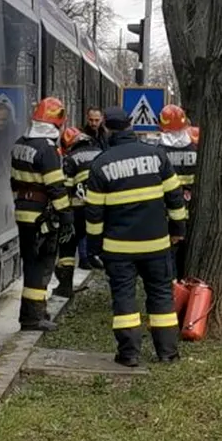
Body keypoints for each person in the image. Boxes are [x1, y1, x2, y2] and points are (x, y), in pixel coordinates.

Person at [84, 106, 188, 366]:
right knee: (162, 294)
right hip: (156, 244)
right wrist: (178, 231)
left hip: (118, 248)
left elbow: (94, 214)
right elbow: (175, 199)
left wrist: (95, 247)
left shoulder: (101, 164)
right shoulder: (157, 156)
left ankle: (129, 354)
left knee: (124, 297)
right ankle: (168, 353)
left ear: (106, 127)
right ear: (130, 125)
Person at [10, 97, 75, 331]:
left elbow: (13, 181)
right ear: (56, 124)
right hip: (41, 216)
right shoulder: (46, 149)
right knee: (40, 265)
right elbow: (55, 187)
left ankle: (34, 311)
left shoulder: (20, 143)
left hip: (23, 212)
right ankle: (33, 317)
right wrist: (66, 215)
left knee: (31, 263)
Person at [55, 126, 103, 296]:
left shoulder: (70, 159)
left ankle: (65, 285)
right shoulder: (100, 153)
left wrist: (62, 213)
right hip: (100, 209)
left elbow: (65, 188)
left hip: (78, 210)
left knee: (67, 245)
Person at [157, 104, 197, 280]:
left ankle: (173, 288)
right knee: (188, 251)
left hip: (168, 210)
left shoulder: (159, 150)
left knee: (169, 251)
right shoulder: (195, 144)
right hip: (192, 206)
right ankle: (186, 283)